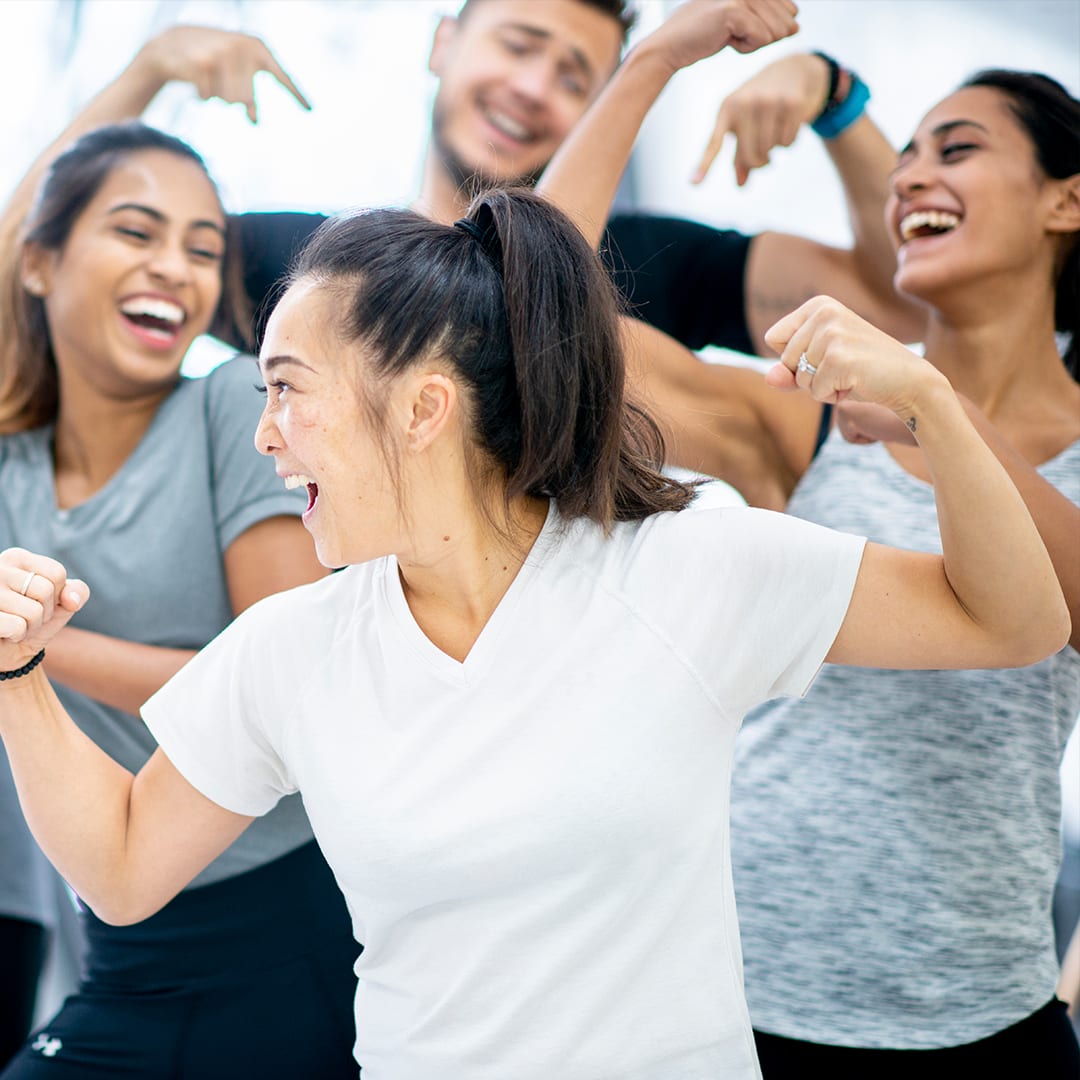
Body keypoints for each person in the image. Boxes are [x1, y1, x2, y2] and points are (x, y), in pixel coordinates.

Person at [0, 23, 1069, 1058]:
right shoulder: (295, 646)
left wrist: (933, 404)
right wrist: (18, 670)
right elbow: (125, 865)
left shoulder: (684, 562)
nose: (263, 431)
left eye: (284, 390)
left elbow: (1014, 621)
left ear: (422, 409)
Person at [534, 20, 1080, 1074]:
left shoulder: (910, 401)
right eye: (906, 155)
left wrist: (930, 405)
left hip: (983, 1015)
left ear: (1068, 199)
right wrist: (655, 62)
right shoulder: (808, 418)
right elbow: (531, 325)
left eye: (955, 148)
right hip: (737, 1000)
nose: (911, 174)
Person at [0, 120, 358, 1078]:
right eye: (135, 231)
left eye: (204, 250)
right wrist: (150, 66)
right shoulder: (10, 467)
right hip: (123, 946)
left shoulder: (237, 405)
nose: (176, 267)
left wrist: (34, 649)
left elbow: (288, 682)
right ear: (37, 264)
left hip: (295, 933)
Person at [33, 2, 921, 361]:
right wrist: (145, 72)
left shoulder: (650, 260)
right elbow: (46, 253)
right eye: (518, 44)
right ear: (443, 43)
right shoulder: (299, 260)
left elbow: (903, 306)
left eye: (578, 77)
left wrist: (836, 101)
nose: (535, 88)